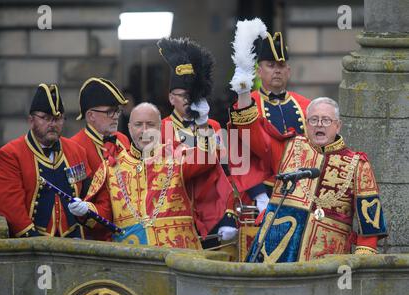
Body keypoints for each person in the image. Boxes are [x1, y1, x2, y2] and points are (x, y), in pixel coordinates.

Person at [234, 97, 388, 262]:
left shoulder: (358, 164)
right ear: (307, 124)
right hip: (274, 256)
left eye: (326, 120)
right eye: (314, 119)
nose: (319, 124)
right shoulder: (288, 147)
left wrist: (359, 265)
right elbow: (250, 132)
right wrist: (243, 92)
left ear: (338, 125)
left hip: (327, 261)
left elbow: (371, 225)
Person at [67, 102, 232, 250]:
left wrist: (203, 123)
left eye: (150, 124)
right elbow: (104, 215)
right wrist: (86, 211)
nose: (144, 131)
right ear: (130, 127)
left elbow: (207, 157)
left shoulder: (176, 156)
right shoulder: (111, 167)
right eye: (139, 125)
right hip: (133, 262)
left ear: (160, 127)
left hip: (179, 257)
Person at [157, 37, 238, 250]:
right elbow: (182, 171)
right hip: (177, 219)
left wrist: (229, 213)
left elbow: (224, 170)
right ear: (170, 98)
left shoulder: (212, 124)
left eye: (191, 95)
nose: (187, 100)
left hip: (213, 218)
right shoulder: (161, 129)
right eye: (182, 95)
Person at [229, 19, 311, 217]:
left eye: (281, 65)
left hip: (303, 190)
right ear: (258, 71)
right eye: (270, 64)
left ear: (288, 71)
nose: (277, 70)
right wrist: (258, 195)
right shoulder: (246, 105)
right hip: (261, 193)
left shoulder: (307, 105)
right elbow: (238, 155)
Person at [0, 83, 91, 238]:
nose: (52, 124)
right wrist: (35, 242)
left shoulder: (77, 151)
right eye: (45, 118)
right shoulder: (11, 154)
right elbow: (11, 207)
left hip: (75, 240)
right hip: (32, 243)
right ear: (31, 120)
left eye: (57, 118)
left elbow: (88, 195)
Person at [71, 78, 130, 240]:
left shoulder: (122, 139)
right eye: (110, 111)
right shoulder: (75, 146)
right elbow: (79, 196)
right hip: (97, 232)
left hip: (128, 226)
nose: (116, 116)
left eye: (117, 111)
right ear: (91, 116)